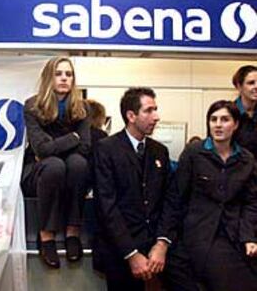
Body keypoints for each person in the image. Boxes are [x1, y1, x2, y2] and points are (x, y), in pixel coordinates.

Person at [93, 87, 197, 291]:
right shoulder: (106, 149)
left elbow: (170, 200)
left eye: (156, 109)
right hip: (122, 246)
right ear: (131, 116)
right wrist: (131, 254)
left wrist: (162, 244)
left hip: (158, 244)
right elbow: (107, 206)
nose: (156, 117)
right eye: (149, 111)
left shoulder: (160, 151)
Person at [176, 100, 257, 291]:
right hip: (202, 235)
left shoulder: (246, 159)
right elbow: (178, 197)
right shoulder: (194, 153)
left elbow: (251, 201)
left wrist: (249, 237)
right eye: (213, 119)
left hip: (236, 233)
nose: (218, 125)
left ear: (236, 124)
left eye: (225, 119)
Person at [21, 57, 90, 268]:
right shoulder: (32, 106)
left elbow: (86, 146)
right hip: (37, 172)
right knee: (55, 165)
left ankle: (72, 232)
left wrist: (53, 146)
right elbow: (40, 149)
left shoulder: (82, 107)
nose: (63, 78)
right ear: (49, 77)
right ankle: (46, 236)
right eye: (58, 73)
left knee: (78, 164)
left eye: (68, 74)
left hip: (68, 168)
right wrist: (72, 139)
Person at [232, 65, 257, 158]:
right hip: (236, 169)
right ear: (239, 86)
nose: (256, 86)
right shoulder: (228, 113)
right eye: (251, 83)